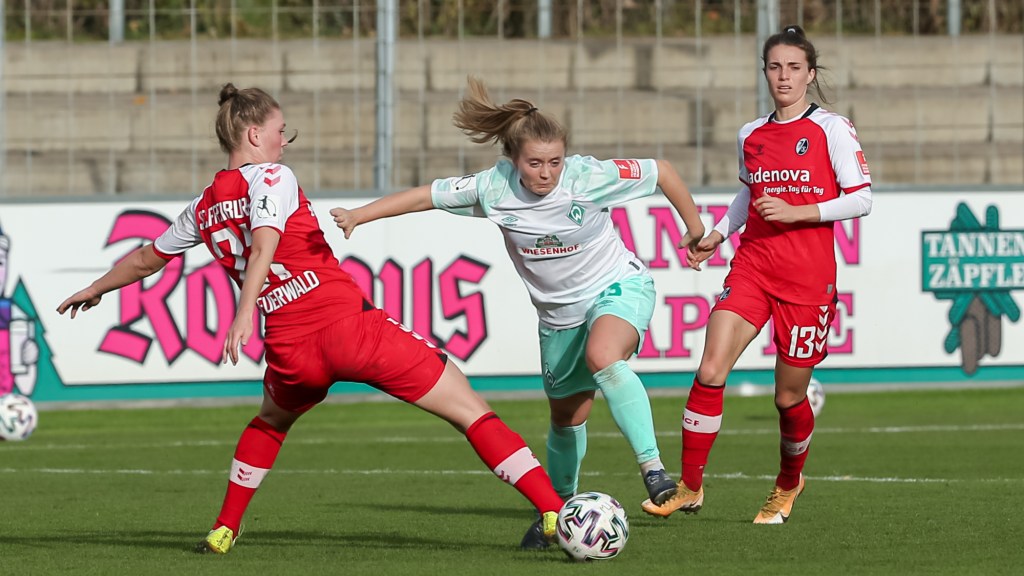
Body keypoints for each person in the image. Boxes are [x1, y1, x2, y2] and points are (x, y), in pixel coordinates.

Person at [56, 83, 565, 554]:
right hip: (349, 328)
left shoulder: (202, 206)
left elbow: (149, 258)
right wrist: (239, 315)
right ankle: (554, 512)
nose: (284, 142)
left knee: (271, 422)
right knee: (469, 409)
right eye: (280, 132)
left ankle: (225, 527)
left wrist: (96, 288)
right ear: (254, 134)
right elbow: (264, 244)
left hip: (291, 351)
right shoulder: (274, 177)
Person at [330, 76, 706, 548]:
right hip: (557, 318)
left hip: (617, 285)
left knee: (604, 355)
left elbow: (664, 171)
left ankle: (653, 469)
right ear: (513, 160)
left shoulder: (587, 176)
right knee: (566, 418)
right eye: (535, 163)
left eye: (555, 161)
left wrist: (695, 230)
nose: (547, 172)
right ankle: (557, 512)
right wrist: (361, 215)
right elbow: (426, 195)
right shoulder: (493, 187)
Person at [641, 25, 872, 524]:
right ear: (764, 72)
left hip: (808, 281)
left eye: (794, 67)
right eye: (774, 67)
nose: (783, 76)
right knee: (709, 370)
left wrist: (799, 211)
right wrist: (718, 235)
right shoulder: (752, 133)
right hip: (754, 266)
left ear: (810, 74)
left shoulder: (831, 128)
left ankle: (789, 484)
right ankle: (690, 486)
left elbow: (862, 198)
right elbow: (748, 195)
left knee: (788, 396)